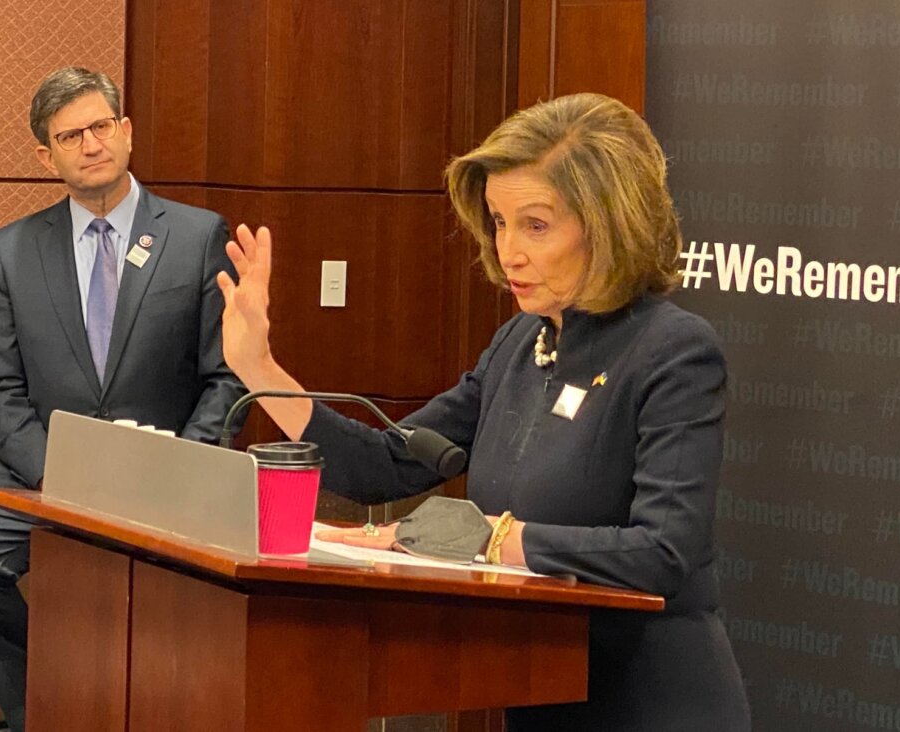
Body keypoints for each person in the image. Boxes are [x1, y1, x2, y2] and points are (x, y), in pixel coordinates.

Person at [217, 93, 750, 731]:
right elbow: (386, 466)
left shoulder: (674, 351)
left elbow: (663, 551)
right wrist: (261, 370)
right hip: (539, 691)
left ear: (609, 224)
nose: (508, 252)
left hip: (649, 701)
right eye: (499, 222)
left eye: (536, 225)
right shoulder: (519, 343)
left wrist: (492, 539)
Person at [0, 67, 242, 732]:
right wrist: (57, 475)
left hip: (165, 478)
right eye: (71, 135)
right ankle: (53, 707)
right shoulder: (13, 249)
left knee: (201, 596)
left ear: (126, 133)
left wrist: (183, 464)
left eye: (101, 127)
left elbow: (228, 378)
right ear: (48, 155)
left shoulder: (198, 234)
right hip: (44, 476)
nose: (90, 144)